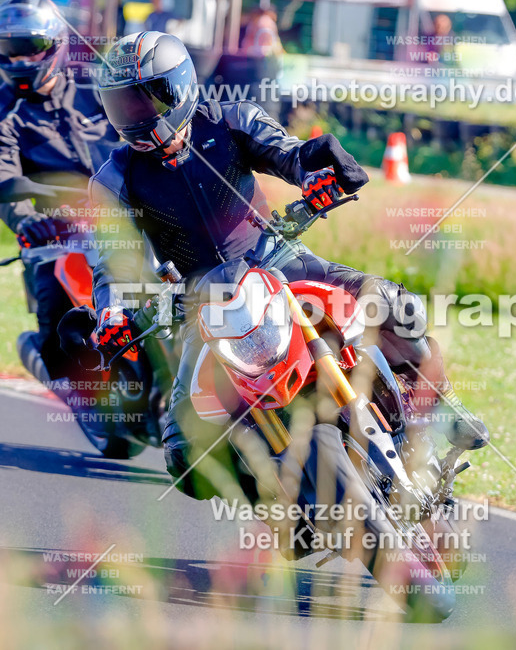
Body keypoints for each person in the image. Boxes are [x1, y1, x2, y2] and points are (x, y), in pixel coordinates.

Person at [88, 32, 489, 495]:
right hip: (202, 301)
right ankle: (277, 501)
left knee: (394, 305)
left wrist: (317, 176)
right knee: (184, 456)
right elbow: (111, 260)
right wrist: (113, 311)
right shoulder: (113, 178)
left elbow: (288, 153)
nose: (133, 117)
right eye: (122, 106)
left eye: (142, 102)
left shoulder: (229, 120)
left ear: (177, 89)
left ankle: (443, 409)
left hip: (277, 257)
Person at [0, 0, 122, 418]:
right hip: (56, 231)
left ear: (57, 44)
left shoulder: (99, 95)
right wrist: (29, 223)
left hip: (127, 220)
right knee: (57, 306)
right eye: (9, 50)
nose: (20, 59)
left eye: (31, 48)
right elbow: (0, 181)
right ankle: (68, 380)